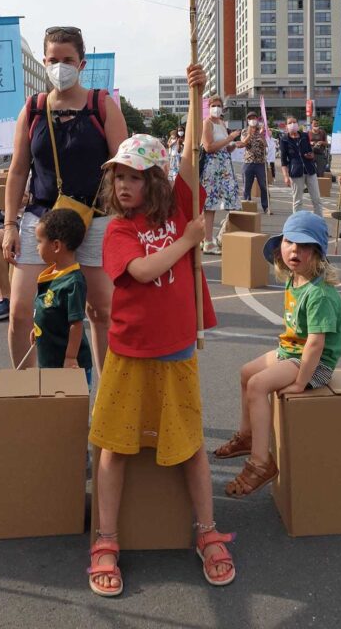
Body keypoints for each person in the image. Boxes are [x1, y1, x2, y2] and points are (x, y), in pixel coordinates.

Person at [88, 66, 235, 598]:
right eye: (117, 177)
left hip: (176, 350)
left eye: (132, 177)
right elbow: (144, 272)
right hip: (128, 352)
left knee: (190, 444)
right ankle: (105, 539)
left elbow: (193, 155)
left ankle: (207, 531)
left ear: (154, 179)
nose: (122, 186)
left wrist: (196, 96)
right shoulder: (118, 231)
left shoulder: (177, 205)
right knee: (115, 446)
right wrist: (189, 239)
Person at [1, 26, 127, 373]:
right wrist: (10, 224)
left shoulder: (102, 106)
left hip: (95, 219)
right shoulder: (33, 109)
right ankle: (25, 391)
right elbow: (17, 170)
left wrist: (128, 222)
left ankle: (105, 404)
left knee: (100, 312)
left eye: (67, 60)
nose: (60, 66)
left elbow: (124, 167)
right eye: (53, 60)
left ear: (81, 63)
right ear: (44, 62)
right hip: (41, 220)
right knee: (21, 311)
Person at [214, 212, 341, 496]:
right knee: (247, 372)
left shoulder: (319, 294)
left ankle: (261, 462)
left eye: (304, 246)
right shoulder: (295, 279)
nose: (294, 251)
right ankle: (248, 436)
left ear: (318, 253)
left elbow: (315, 344)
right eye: (289, 242)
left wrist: (300, 382)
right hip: (292, 351)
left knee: (258, 386)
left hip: (315, 363)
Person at [30, 209, 92, 382]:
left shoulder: (73, 282)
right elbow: (49, 310)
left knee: (69, 407)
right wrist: (38, 329)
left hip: (67, 366)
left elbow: (76, 323)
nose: (36, 247)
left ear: (56, 246)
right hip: (49, 359)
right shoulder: (52, 273)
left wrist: (71, 357)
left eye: (39, 241)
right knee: (51, 405)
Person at [200, 95, 241, 254]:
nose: (216, 108)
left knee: (221, 204)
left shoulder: (222, 123)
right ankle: (208, 240)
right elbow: (209, 147)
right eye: (213, 105)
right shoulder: (207, 123)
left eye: (218, 105)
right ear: (209, 107)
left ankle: (207, 239)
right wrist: (229, 138)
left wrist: (233, 144)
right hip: (213, 166)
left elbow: (225, 146)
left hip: (224, 165)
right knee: (210, 205)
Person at [280, 116, 323, 216]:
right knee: (298, 201)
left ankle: (319, 222)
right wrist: (286, 177)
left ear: (298, 124)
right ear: (286, 126)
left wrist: (311, 155)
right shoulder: (284, 140)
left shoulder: (304, 136)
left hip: (310, 170)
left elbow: (310, 151)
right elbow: (283, 161)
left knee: (316, 199)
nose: (293, 124)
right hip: (296, 172)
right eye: (290, 123)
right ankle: (297, 223)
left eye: (294, 122)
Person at [241, 111, 268, 214]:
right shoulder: (244, 131)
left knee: (263, 185)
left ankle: (265, 206)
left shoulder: (261, 131)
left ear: (257, 120)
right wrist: (250, 134)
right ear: (247, 120)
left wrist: (261, 136)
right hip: (249, 162)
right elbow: (243, 143)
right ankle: (247, 206)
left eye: (254, 118)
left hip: (260, 162)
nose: (253, 120)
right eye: (250, 118)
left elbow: (266, 145)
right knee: (247, 185)